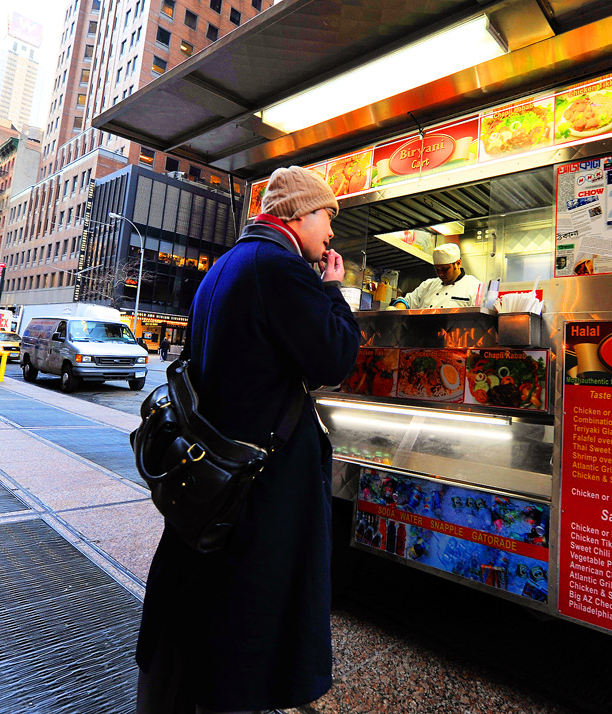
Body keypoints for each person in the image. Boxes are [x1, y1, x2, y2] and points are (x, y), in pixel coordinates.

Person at [135, 165, 359, 714]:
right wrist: (333, 293)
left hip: (218, 472)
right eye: (327, 218)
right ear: (300, 215)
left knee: (204, 600)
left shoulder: (226, 266)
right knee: (249, 614)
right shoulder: (279, 268)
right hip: (258, 481)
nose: (330, 234)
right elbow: (334, 359)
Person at [391, 243, 482, 309]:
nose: (440, 274)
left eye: (445, 269)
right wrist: (399, 307)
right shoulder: (428, 285)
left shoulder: (475, 287)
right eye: (437, 270)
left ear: (458, 264)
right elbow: (407, 301)